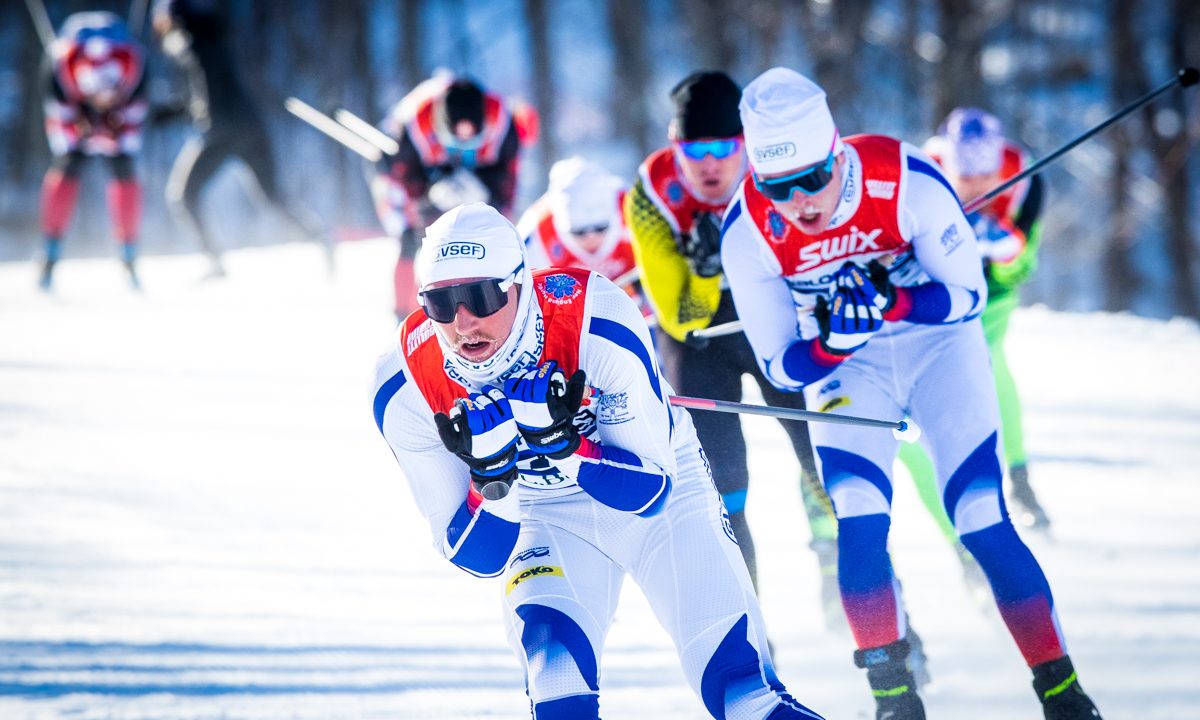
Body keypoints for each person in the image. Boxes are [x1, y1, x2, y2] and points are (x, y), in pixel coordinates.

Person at [720, 67, 1101, 720]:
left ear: (838, 152)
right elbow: (783, 368)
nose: (802, 202)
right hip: (850, 370)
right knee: (860, 524)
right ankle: (895, 700)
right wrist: (835, 342)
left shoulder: (906, 177)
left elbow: (970, 296)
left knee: (982, 517)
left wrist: (895, 297)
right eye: (780, 187)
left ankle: (1063, 693)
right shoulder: (749, 231)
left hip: (938, 348)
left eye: (814, 177)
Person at [371, 202, 825, 720]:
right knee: (557, 684)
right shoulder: (403, 384)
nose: (463, 321)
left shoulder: (594, 318)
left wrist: (568, 447)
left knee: (743, 695)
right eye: (439, 303)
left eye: (480, 295)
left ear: (520, 284)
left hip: (665, 502)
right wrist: (494, 482)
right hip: (544, 520)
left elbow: (650, 492)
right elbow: (477, 556)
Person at [623, 70, 840, 621]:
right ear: (675, 147)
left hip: (770, 320)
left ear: (746, 143)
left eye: (724, 147)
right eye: (693, 149)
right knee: (724, 489)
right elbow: (678, 316)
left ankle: (848, 577)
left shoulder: (777, 173)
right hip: (697, 344)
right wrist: (703, 269)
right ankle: (752, 631)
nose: (710, 163)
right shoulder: (651, 192)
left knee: (823, 456)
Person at [919, 107, 1050, 531]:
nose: (977, 187)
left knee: (988, 358)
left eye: (985, 177)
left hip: (992, 292)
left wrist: (1005, 247)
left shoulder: (1027, 183)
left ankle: (1019, 479)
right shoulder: (924, 174)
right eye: (966, 177)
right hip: (940, 287)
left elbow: (1021, 270)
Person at [153, 0, 331, 277]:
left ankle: (214, 262)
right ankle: (319, 236)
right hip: (250, 126)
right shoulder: (209, 40)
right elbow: (201, 94)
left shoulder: (190, 40)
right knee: (271, 196)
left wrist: (169, 31)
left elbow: (201, 87)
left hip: (219, 131)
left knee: (182, 195)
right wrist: (170, 113)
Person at [372, 73, 536, 319]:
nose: (465, 143)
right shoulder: (414, 124)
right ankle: (405, 314)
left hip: (481, 178)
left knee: (489, 236)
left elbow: (508, 176)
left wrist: (493, 198)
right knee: (412, 238)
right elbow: (405, 176)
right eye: (457, 139)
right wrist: (427, 195)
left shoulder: (504, 123)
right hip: (429, 179)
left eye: (473, 138)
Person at [38, 11, 147, 290]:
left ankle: (129, 254)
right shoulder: (59, 73)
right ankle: (49, 252)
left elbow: (132, 135)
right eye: (96, 97)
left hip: (117, 54)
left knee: (124, 171)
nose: (103, 102)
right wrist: (80, 130)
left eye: (109, 96)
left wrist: (114, 130)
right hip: (71, 93)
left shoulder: (135, 73)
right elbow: (61, 134)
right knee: (67, 166)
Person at [516, 156, 648, 314]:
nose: (591, 238)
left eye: (601, 228)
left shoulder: (634, 213)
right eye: (579, 232)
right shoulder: (537, 233)